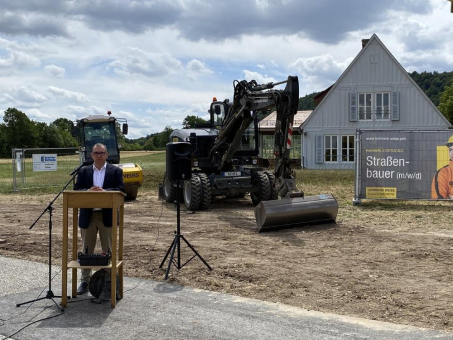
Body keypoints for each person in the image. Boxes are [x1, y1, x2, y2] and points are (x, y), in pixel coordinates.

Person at [73, 143, 125, 297]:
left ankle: (109, 281)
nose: (99, 155)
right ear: (91, 155)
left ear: (107, 155)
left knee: (108, 249)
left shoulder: (115, 171)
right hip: (88, 216)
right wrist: (88, 191)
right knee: (86, 250)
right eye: (96, 153)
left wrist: (105, 192)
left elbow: (121, 189)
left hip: (107, 215)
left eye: (102, 153)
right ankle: (85, 281)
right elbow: (77, 190)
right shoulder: (83, 171)